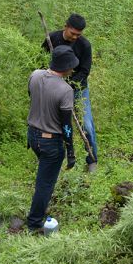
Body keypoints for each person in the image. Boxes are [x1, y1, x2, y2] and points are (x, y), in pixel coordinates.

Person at [26, 45, 79, 233]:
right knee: (45, 184)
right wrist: (71, 151)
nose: (73, 70)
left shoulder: (35, 75)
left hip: (32, 135)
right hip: (51, 141)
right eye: (72, 66)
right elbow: (66, 126)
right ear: (66, 67)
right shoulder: (65, 90)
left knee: (44, 177)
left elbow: (32, 97)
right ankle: (34, 223)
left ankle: (38, 212)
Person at [42, 13, 98, 172]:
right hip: (53, 88)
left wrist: (69, 86)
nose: (75, 37)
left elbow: (85, 71)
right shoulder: (51, 39)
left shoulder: (84, 45)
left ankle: (92, 159)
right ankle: (55, 159)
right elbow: (41, 61)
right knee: (55, 124)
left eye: (78, 35)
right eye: (72, 33)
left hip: (78, 89)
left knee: (86, 124)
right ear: (65, 26)